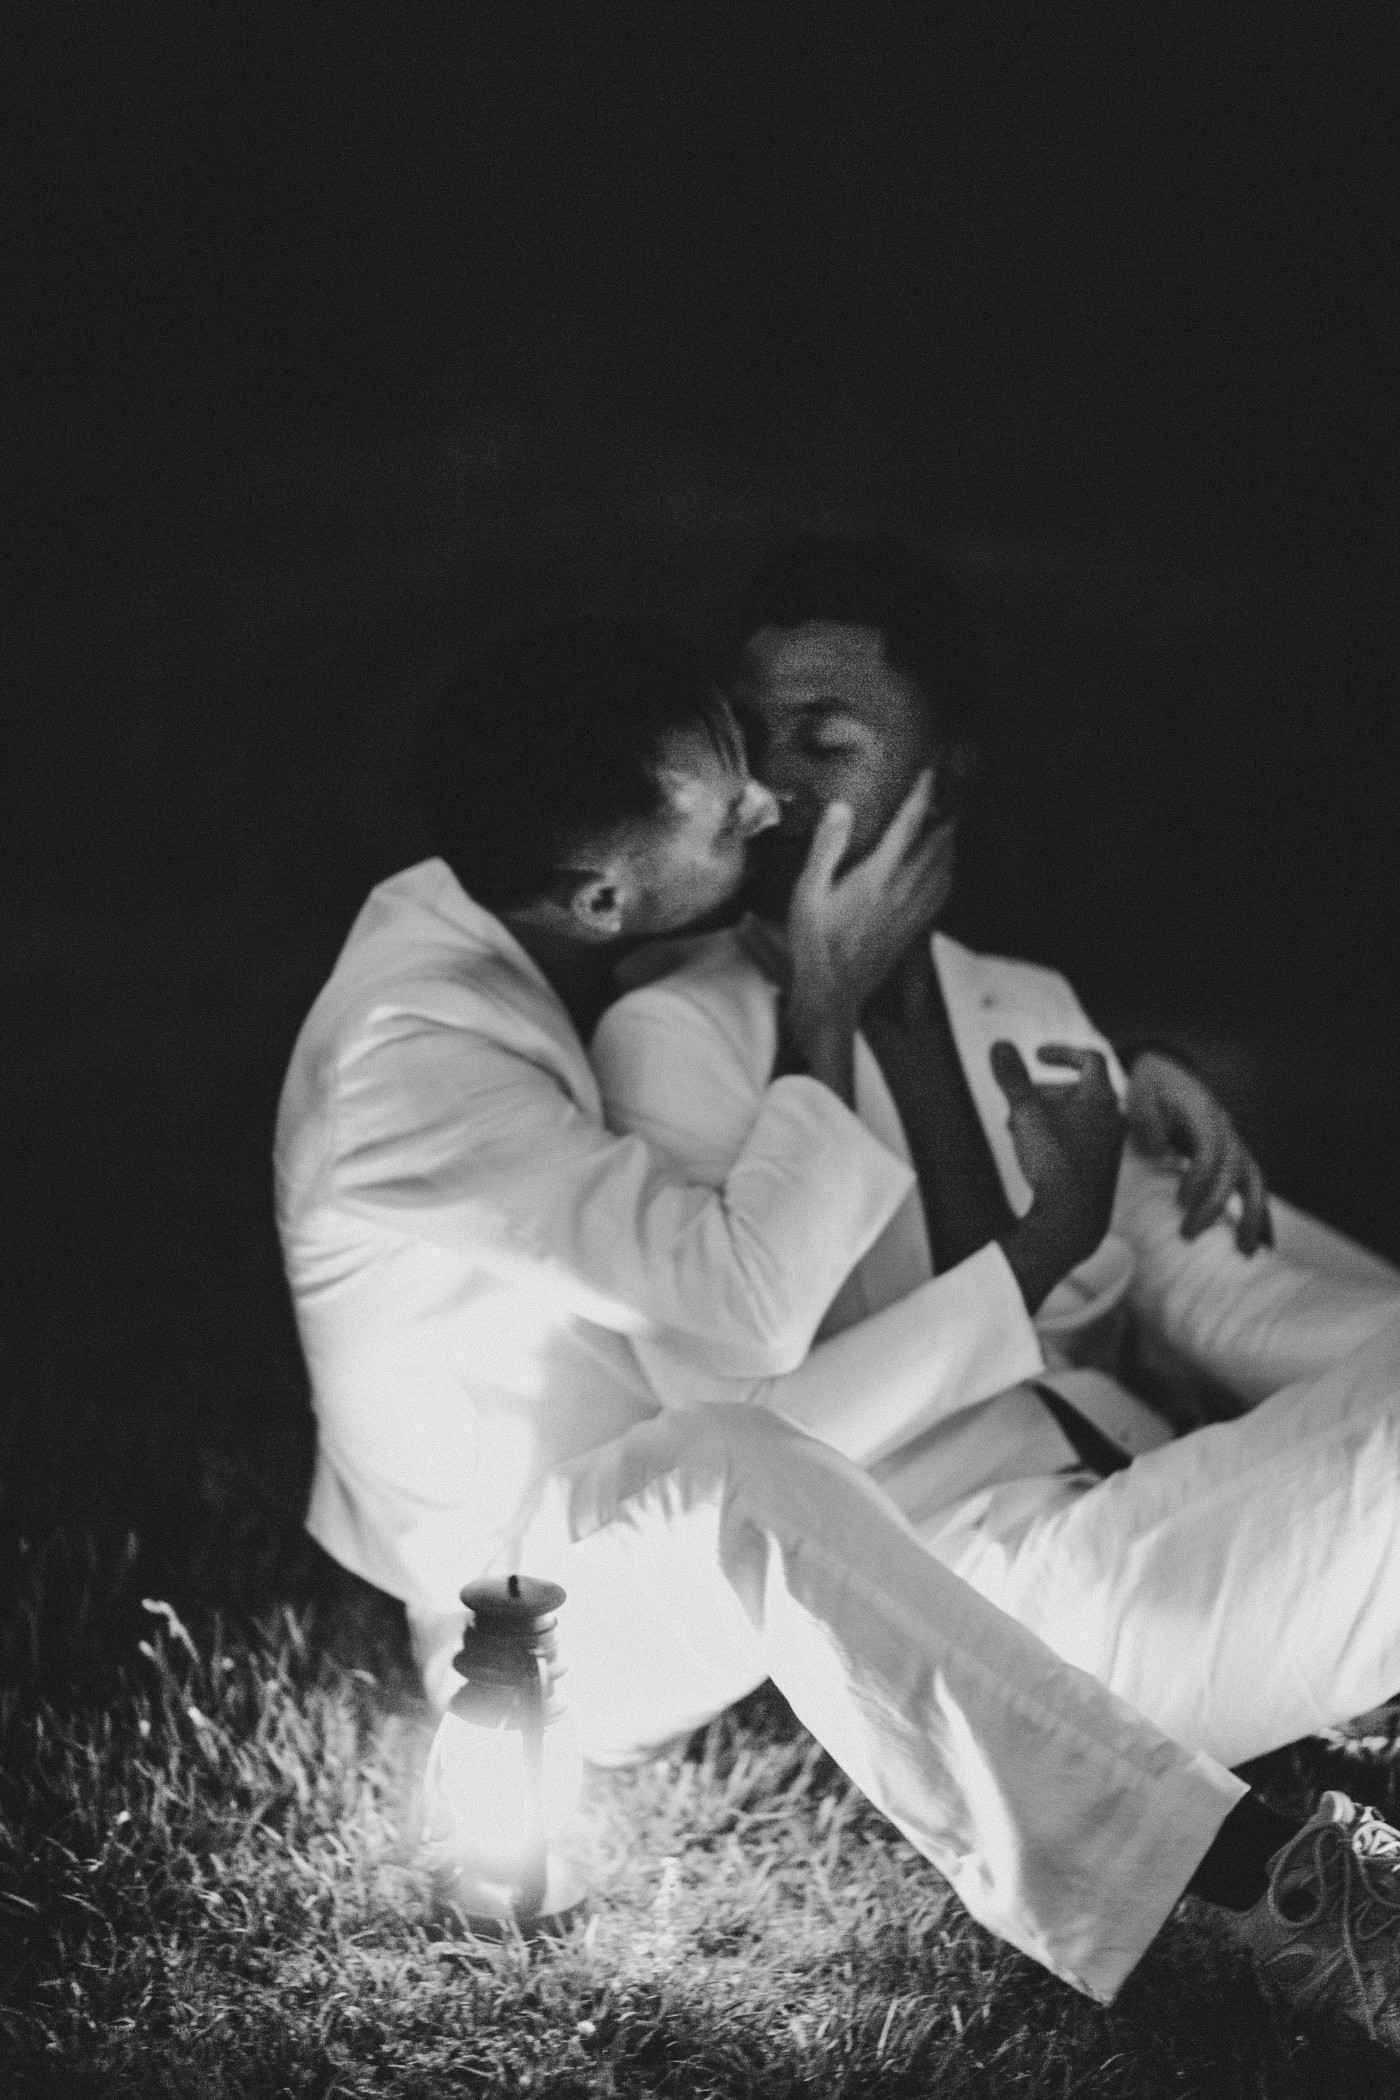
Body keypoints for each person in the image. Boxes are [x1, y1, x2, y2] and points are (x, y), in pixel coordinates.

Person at [276, 613, 1400, 2045]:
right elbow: (735, 1317)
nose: (766, 803)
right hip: (528, 1617)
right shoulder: (417, 1056)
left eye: (785, 749)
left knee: (750, 1454)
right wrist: (823, 1004)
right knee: (732, 1458)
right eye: (739, 771)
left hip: (723, 1500)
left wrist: (1130, 1096)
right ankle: (1272, 1895)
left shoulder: (527, 931)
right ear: (600, 898)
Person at [590, 531, 1400, 1773]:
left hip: (1157, 1487)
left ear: (942, 779)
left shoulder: (1024, 1004)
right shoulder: (677, 1038)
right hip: (981, 1599)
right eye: (754, 740)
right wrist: (1036, 1248)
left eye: (826, 738)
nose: (772, 788)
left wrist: (1143, 1126)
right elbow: (734, 1452)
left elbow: (1200, 1289)